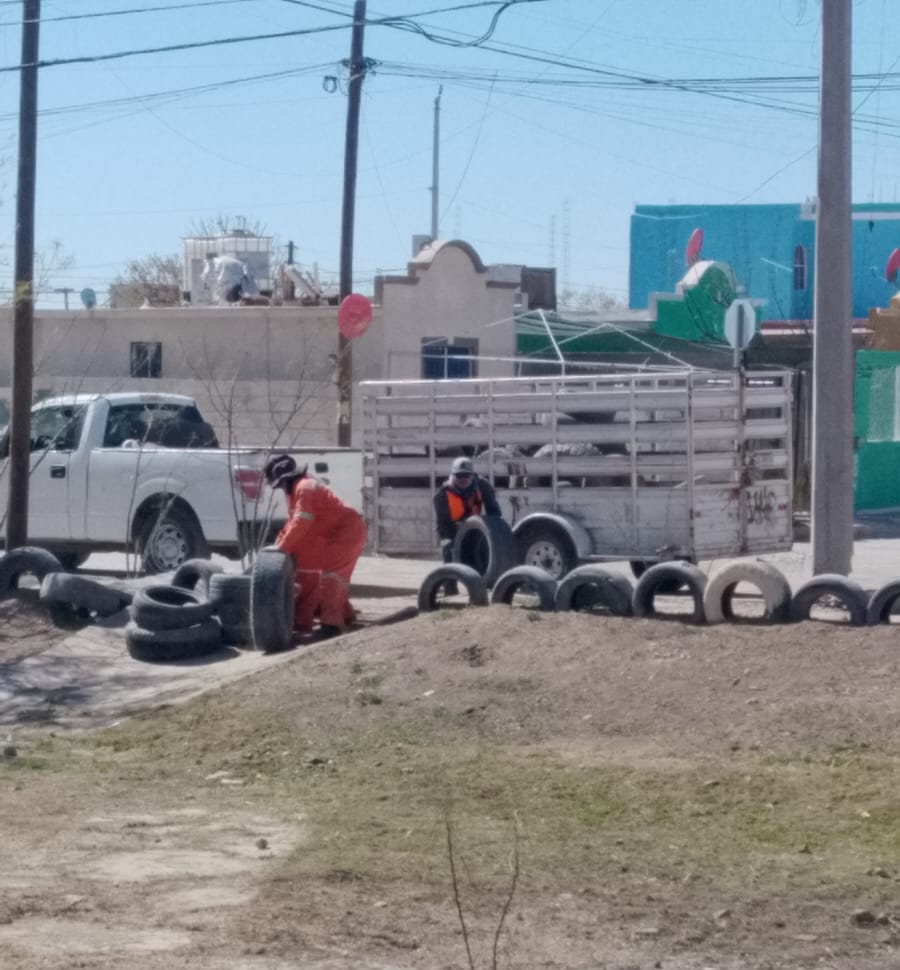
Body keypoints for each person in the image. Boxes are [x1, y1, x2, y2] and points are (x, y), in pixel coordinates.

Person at [263, 453, 367, 640]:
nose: (280, 489)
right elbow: (291, 523)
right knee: (310, 570)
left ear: (285, 479)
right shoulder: (297, 490)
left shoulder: (304, 488)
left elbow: (302, 521)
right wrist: (278, 546)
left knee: (332, 576)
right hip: (335, 533)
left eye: (279, 485)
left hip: (347, 531)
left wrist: (282, 548)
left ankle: (331, 625)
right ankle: (340, 616)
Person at [433, 456, 502, 564]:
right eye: (459, 475)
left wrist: (490, 533)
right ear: (453, 476)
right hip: (453, 531)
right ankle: (450, 573)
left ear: (472, 475)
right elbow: (442, 526)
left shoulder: (483, 486)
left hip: (476, 528)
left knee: (486, 544)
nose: (463, 479)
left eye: (466, 475)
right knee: (448, 545)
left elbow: (494, 514)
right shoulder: (442, 495)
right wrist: (458, 534)